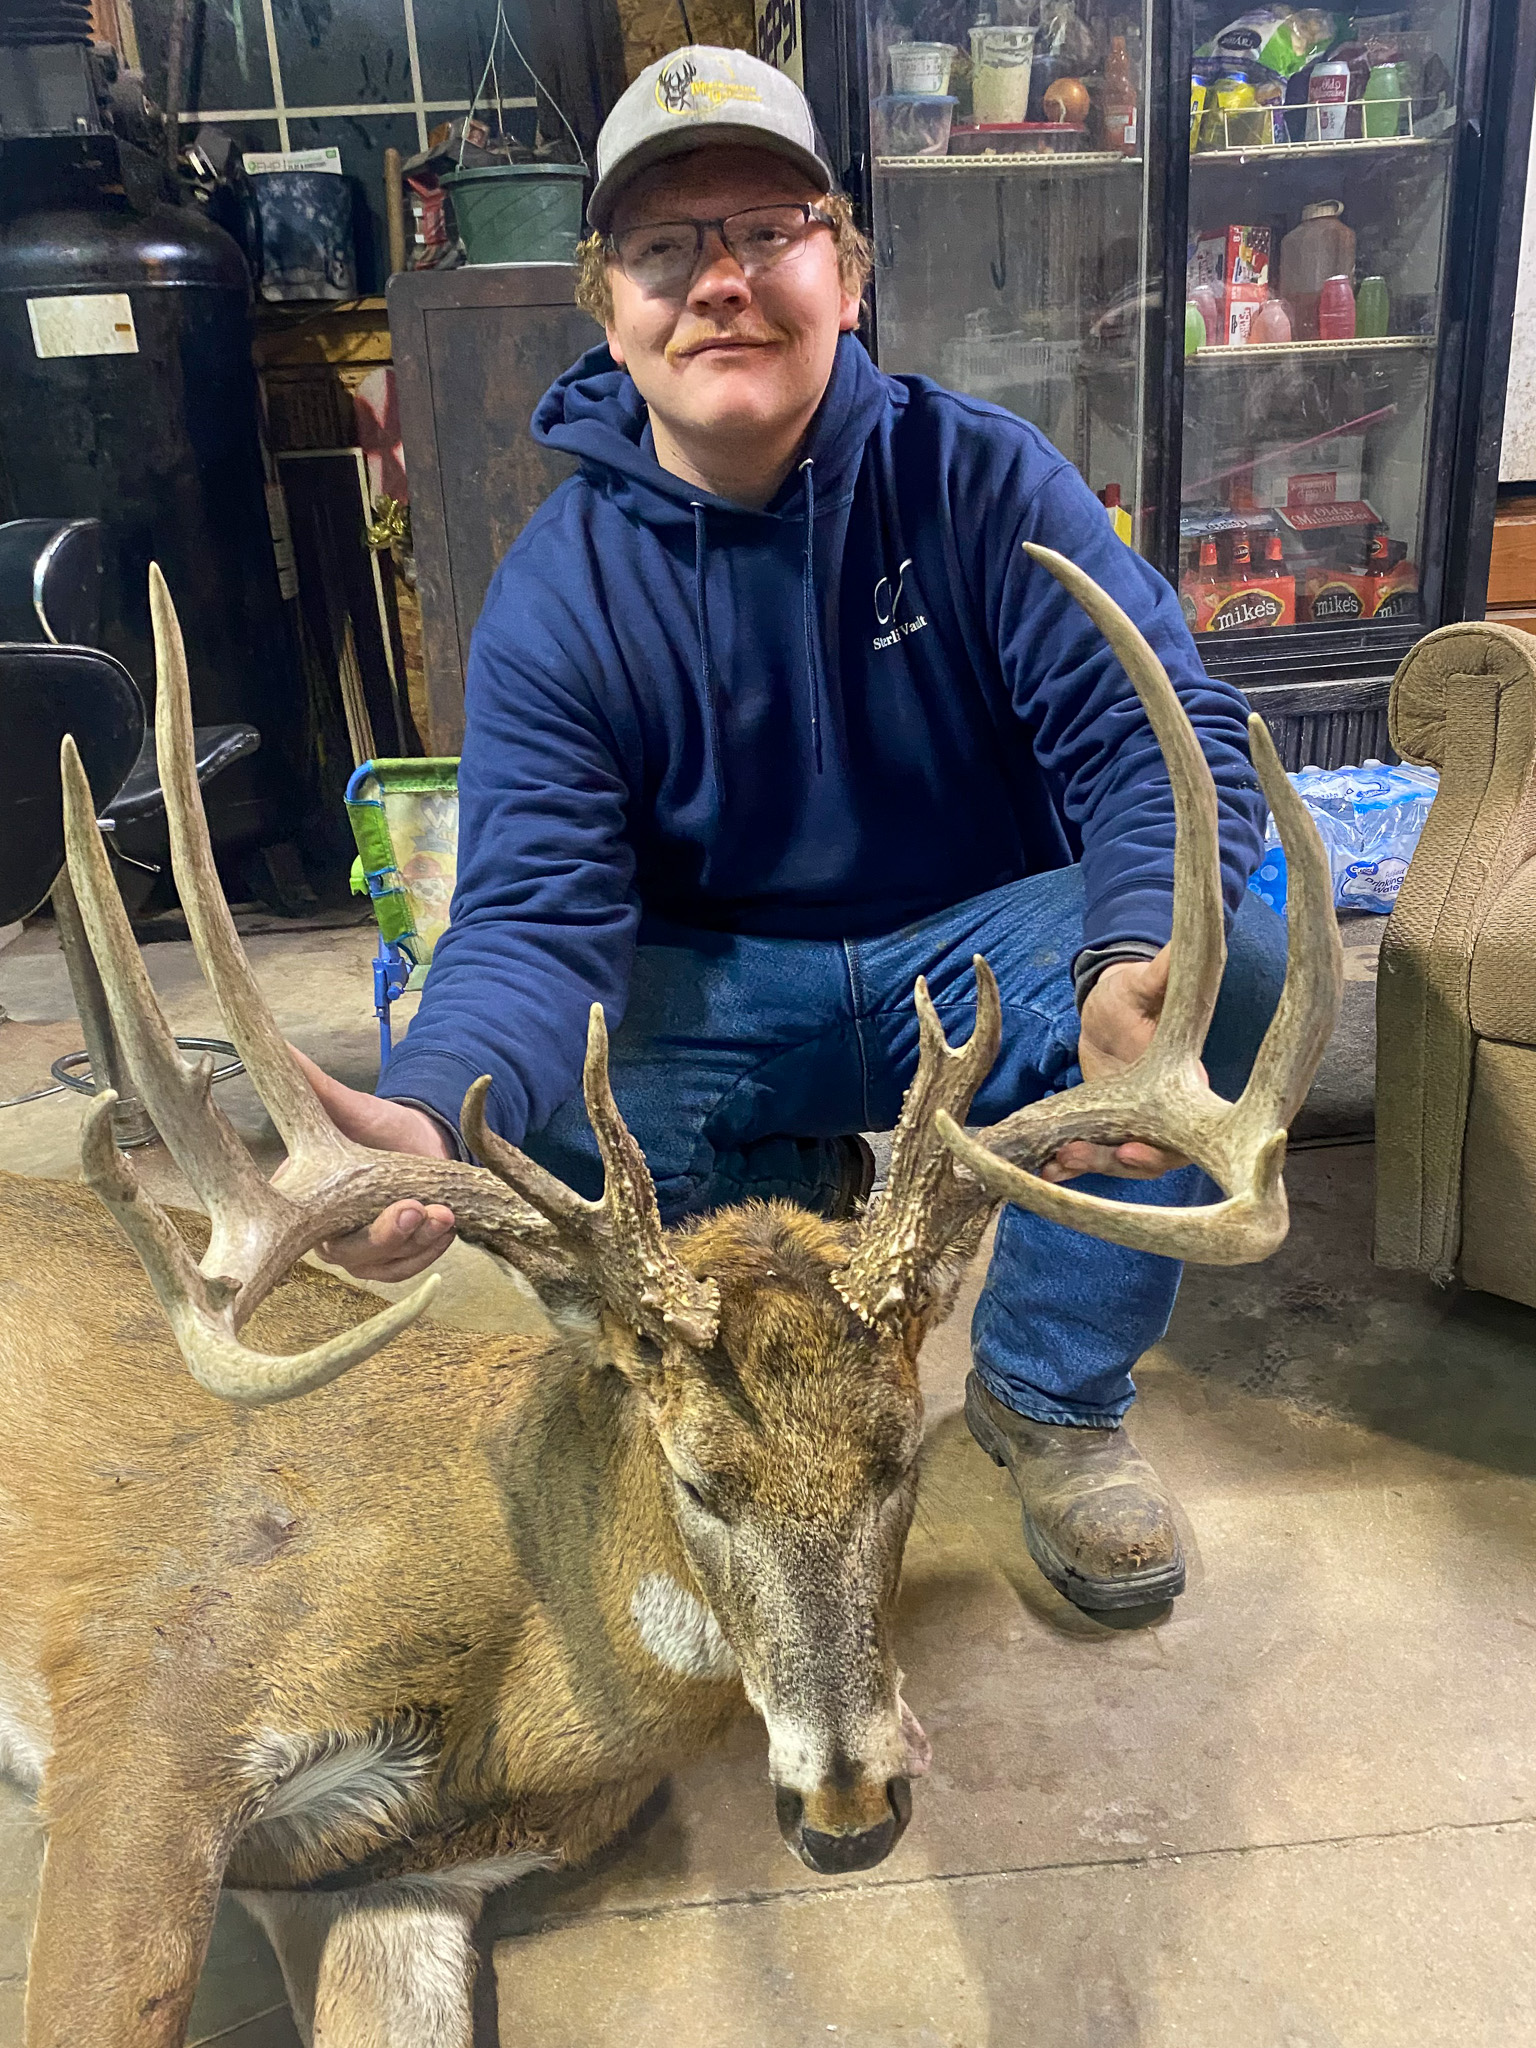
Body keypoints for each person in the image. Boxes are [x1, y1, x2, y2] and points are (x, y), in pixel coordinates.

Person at [300, 45, 1284, 1617]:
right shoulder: (561, 591)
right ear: (607, 302)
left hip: (968, 967)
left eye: (766, 230)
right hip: (723, 987)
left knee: (1236, 958)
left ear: (845, 265)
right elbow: (536, 914)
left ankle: (1048, 1394)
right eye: (666, 248)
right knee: (514, 1108)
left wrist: (1132, 958)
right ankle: (750, 1338)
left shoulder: (977, 481)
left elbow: (1157, 745)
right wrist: (423, 1115)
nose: (722, 284)